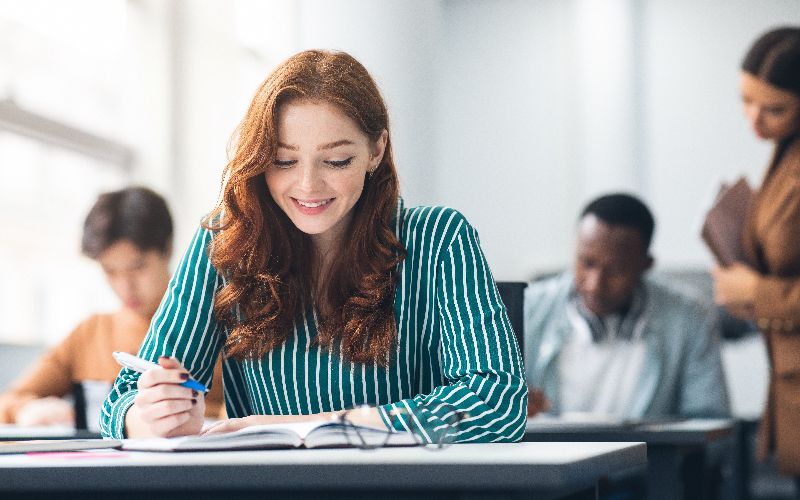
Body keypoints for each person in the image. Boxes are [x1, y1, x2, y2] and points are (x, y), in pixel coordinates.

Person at [100, 50, 527, 441]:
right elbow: (119, 402)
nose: (308, 185)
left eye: (336, 160)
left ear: (376, 150)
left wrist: (317, 426)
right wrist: (149, 416)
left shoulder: (438, 239)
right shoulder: (223, 242)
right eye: (284, 161)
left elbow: (498, 404)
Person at [0, 187, 225, 427]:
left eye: (137, 267)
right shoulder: (90, 333)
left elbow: (245, 415)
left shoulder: (217, 325)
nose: (125, 286)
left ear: (167, 249)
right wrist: (26, 409)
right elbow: (10, 400)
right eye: (110, 271)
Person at [525, 194, 730, 419]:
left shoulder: (690, 318)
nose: (595, 285)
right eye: (586, 263)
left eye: (615, 271)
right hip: (546, 455)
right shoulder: (526, 310)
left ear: (646, 265)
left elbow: (710, 426)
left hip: (650, 455)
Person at [712, 26, 800, 478]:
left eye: (774, 109)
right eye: (746, 101)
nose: (754, 120)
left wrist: (757, 290)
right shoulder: (785, 150)